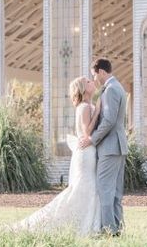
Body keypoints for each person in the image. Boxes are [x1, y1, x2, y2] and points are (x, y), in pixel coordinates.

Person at [11, 76, 102, 236]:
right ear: (82, 89)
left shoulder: (87, 105)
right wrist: (98, 111)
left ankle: (87, 223)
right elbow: (87, 132)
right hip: (86, 153)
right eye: (88, 82)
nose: (91, 82)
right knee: (83, 187)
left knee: (87, 187)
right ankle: (79, 224)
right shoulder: (85, 107)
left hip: (87, 152)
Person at [79, 58, 128, 236]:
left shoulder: (111, 90)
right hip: (118, 147)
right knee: (115, 193)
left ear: (101, 71)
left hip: (110, 147)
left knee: (105, 190)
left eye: (94, 74)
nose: (95, 79)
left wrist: (92, 139)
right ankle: (117, 229)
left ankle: (108, 230)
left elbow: (108, 121)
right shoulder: (117, 87)